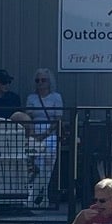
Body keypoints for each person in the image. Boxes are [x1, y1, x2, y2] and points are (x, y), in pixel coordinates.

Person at [23, 69, 66, 207]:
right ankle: (37, 195)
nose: (40, 83)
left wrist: (45, 134)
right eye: (38, 80)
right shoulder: (31, 98)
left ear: (49, 82)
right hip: (33, 132)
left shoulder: (56, 97)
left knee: (46, 163)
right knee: (35, 164)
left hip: (50, 133)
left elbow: (58, 119)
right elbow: (27, 118)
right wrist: (33, 133)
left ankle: (40, 194)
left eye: (43, 80)